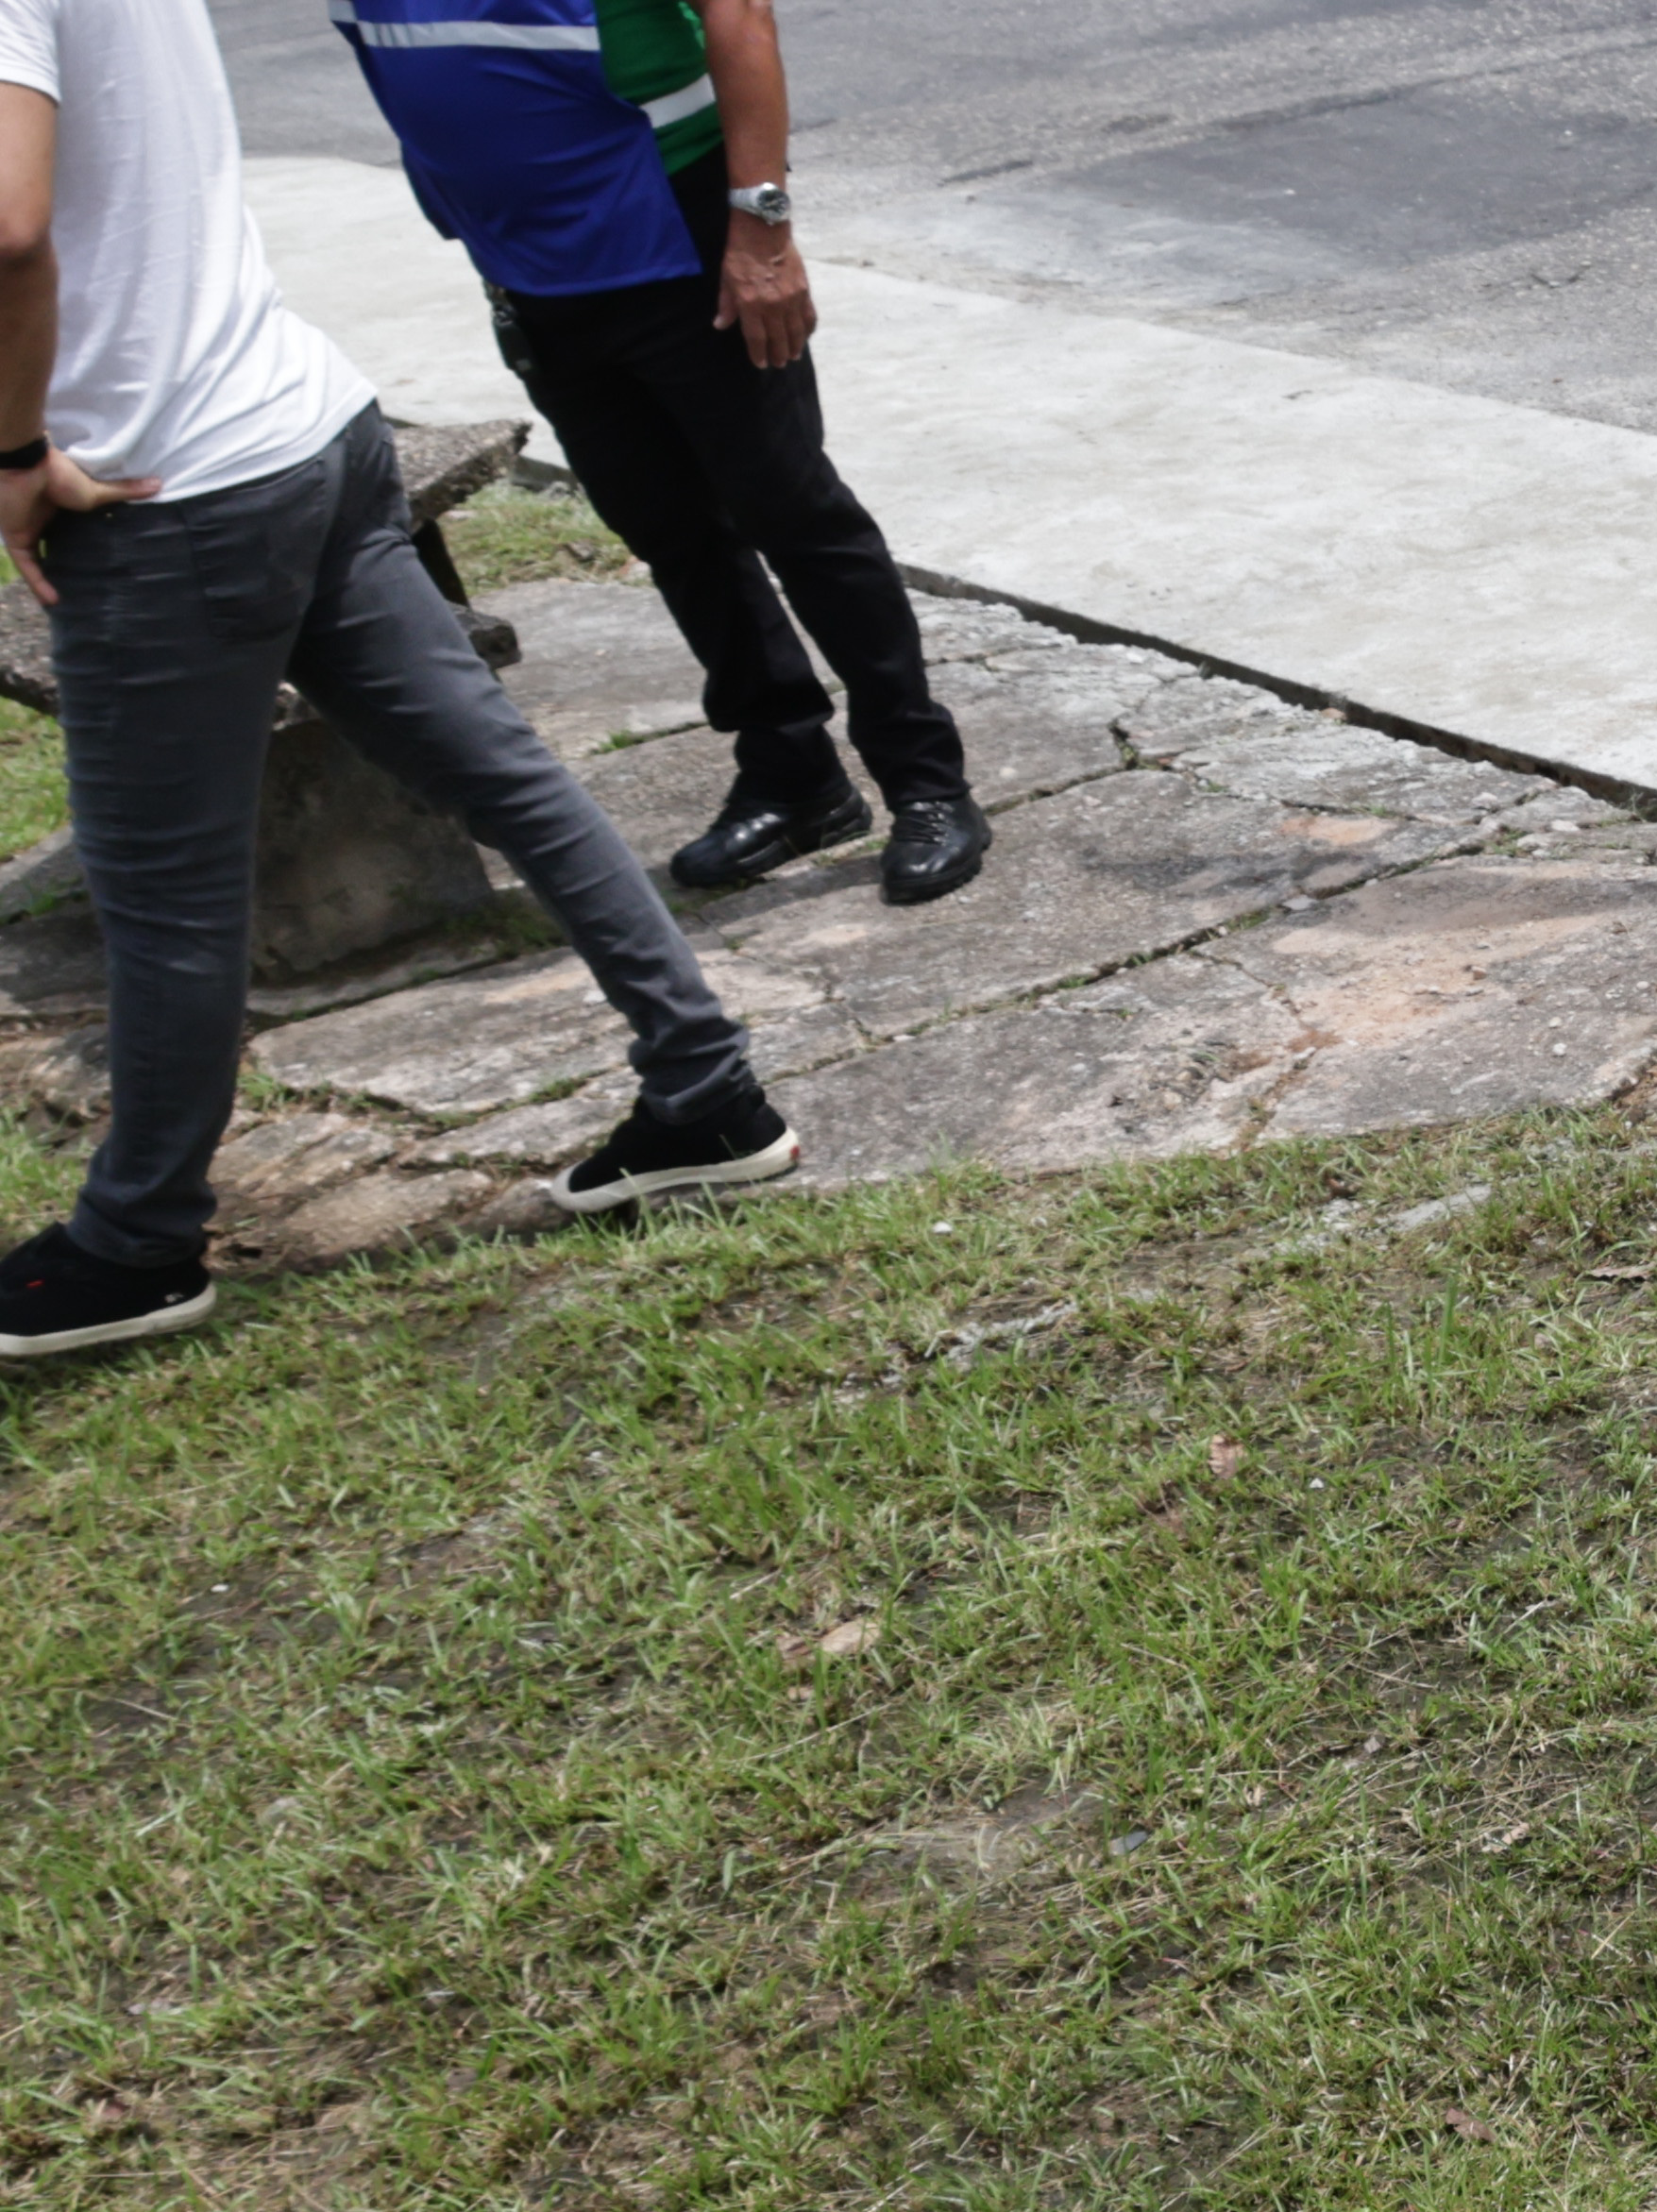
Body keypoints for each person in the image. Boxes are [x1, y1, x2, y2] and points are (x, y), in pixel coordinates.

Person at [0, 0, 794, 1362]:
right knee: (512, 781)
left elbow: (11, 227)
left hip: (158, 488)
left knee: (171, 900)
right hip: (309, 427)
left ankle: (135, 1246)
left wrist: (12, 453)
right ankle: (709, 1093)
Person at [329, 0, 978, 903]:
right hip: (531, 263)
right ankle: (795, 778)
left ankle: (926, 781)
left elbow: (740, 17)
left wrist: (760, 229)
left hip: (682, 227)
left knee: (793, 512)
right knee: (667, 528)